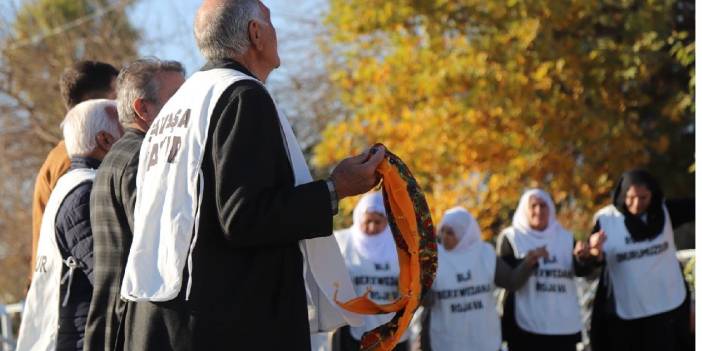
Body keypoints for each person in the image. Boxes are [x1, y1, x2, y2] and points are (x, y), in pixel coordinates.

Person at [119, 1, 382, 349]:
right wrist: (335, 188)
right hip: (228, 323)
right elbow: (244, 217)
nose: (277, 33)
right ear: (255, 34)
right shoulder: (241, 96)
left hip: (164, 318)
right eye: (270, 23)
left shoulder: (178, 106)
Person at [84, 58, 185, 351]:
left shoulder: (115, 158)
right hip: (136, 327)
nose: (187, 107)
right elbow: (160, 247)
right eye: (176, 98)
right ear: (143, 109)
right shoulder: (145, 158)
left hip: (116, 324)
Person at [17, 99, 123, 351]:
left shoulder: (71, 185)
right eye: (126, 131)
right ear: (105, 140)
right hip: (83, 339)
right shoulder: (85, 194)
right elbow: (108, 278)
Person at [585, 170, 694, 351]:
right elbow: (589, 265)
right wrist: (593, 252)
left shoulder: (665, 212)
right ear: (622, 194)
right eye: (631, 198)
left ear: (653, 194)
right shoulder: (607, 220)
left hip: (667, 308)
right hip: (628, 314)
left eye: (643, 198)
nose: (636, 204)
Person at [31, 61, 119, 277]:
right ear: (94, 102)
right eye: (118, 95)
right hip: (71, 292)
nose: (125, 104)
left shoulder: (64, 155)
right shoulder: (71, 161)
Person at [424, 207, 547, 351]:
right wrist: (422, 292)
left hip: (484, 340)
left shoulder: (485, 254)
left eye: (450, 232)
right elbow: (426, 299)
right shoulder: (433, 258)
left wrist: (528, 263)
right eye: (442, 231)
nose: (444, 236)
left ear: (464, 234)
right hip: (447, 341)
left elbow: (510, 281)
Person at [496, 189, 600, 351]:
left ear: (550, 208)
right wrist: (529, 261)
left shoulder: (564, 237)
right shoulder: (512, 237)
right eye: (533, 206)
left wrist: (585, 257)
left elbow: (581, 271)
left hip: (561, 327)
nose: (539, 211)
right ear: (524, 209)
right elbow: (507, 278)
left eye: (543, 205)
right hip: (525, 329)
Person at [333, 192, 410, 351]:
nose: (372, 227)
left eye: (378, 221)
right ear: (358, 218)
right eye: (367, 221)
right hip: (354, 333)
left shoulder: (400, 246)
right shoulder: (343, 242)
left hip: (393, 332)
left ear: (387, 221)